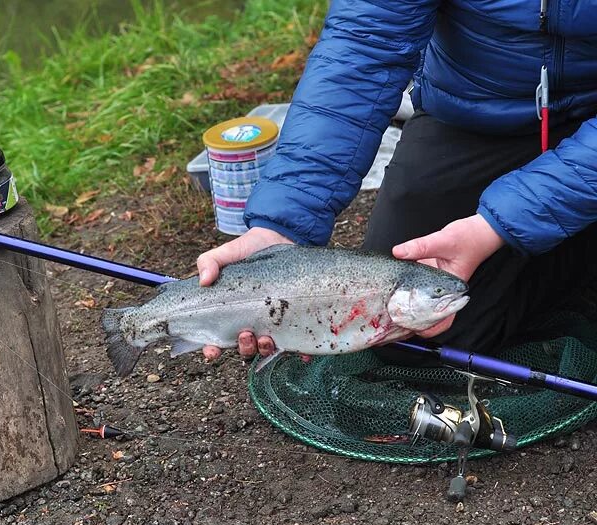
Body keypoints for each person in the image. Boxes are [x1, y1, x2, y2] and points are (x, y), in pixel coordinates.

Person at [195, 0, 597, 363]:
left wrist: (496, 226)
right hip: (479, 113)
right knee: (415, 341)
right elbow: (364, 46)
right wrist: (283, 222)